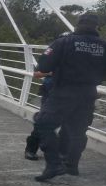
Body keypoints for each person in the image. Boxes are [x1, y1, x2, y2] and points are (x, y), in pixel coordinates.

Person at [33, 14, 106, 181]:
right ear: (96, 27)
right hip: (88, 93)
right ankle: (72, 166)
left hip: (63, 91)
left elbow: (43, 66)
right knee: (78, 131)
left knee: (43, 123)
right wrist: (94, 77)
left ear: (78, 25)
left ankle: (54, 164)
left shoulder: (63, 42)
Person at [25, 32, 72, 161]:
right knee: (42, 122)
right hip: (50, 91)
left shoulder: (75, 59)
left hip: (70, 94)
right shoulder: (51, 56)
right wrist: (53, 72)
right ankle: (30, 149)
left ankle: (62, 152)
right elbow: (37, 74)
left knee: (68, 124)